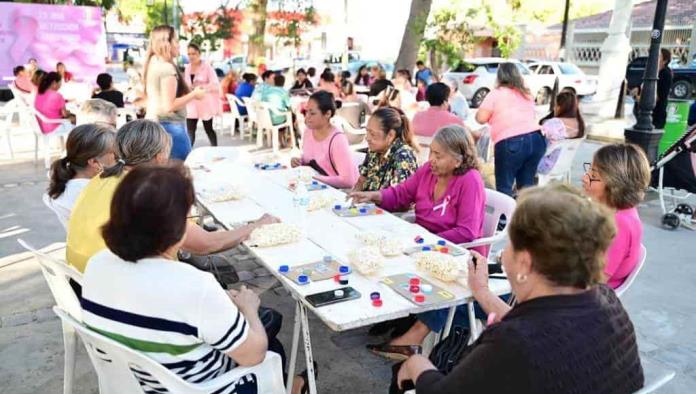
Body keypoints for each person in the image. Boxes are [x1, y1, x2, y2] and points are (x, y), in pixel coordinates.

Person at [81, 165, 315, 394]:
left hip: (133, 383)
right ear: (177, 227)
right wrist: (248, 308)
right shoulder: (194, 284)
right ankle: (291, 388)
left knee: (265, 322)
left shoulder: (97, 264)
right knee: (268, 337)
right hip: (200, 386)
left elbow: (153, 301)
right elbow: (254, 355)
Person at [394, 184, 644, 394]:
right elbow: (541, 328)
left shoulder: (513, 342)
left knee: (405, 373)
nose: (502, 255)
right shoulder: (607, 302)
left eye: (509, 246)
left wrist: (415, 364)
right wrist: (482, 291)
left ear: (525, 261)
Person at [66, 119, 278, 273]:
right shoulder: (149, 191)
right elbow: (205, 244)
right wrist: (255, 226)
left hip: (84, 276)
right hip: (116, 286)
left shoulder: (101, 178)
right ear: (160, 156)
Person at [350, 125, 485, 358]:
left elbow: (467, 232)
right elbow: (401, 193)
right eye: (430, 152)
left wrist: (425, 241)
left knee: (439, 278)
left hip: (458, 253)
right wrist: (375, 196)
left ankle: (414, 336)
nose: (430, 159)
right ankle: (395, 317)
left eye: (438, 155)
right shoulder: (427, 172)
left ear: (457, 159)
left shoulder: (470, 180)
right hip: (422, 245)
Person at [582, 143, 651, 289]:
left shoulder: (619, 225)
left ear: (615, 185)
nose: (584, 178)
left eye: (593, 175)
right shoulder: (618, 211)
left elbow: (595, 280)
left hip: (591, 298)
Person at [476, 62, 546, 197]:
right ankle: (526, 216)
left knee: (504, 188)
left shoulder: (496, 94)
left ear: (499, 77)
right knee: (526, 188)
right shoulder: (526, 93)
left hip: (511, 142)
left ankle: (504, 218)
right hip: (536, 139)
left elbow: (480, 118)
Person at [143, 25, 206, 161]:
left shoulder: (154, 62)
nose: (179, 45)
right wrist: (194, 94)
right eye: (176, 41)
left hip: (157, 126)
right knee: (178, 174)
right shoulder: (166, 68)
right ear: (166, 43)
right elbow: (169, 105)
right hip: (170, 129)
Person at [46, 124, 116, 225]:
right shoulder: (94, 192)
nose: (119, 158)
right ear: (95, 162)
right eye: (115, 154)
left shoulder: (67, 183)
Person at [290, 91, 358, 189]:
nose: (307, 117)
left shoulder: (337, 140)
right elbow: (311, 161)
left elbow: (348, 181)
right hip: (317, 188)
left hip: (338, 193)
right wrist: (298, 162)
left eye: (312, 113)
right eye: (306, 111)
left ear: (327, 114)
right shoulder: (308, 131)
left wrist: (315, 178)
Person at [353, 106, 419, 192]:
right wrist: (351, 199)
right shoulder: (374, 150)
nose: (367, 138)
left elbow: (398, 199)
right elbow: (361, 181)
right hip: (367, 204)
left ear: (390, 135)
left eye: (372, 134)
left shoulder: (404, 157)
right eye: (367, 131)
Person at [537, 91, 585, 174]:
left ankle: (522, 185)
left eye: (555, 105)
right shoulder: (580, 123)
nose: (554, 108)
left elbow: (538, 142)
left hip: (546, 165)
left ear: (560, 106)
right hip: (564, 165)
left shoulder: (554, 123)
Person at [185, 43, 221, 146]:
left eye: (194, 53)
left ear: (199, 54)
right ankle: (187, 154)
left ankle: (215, 149)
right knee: (190, 130)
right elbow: (187, 84)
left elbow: (215, 84)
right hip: (191, 103)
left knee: (208, 129)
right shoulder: (187, 68)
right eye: (189, 54)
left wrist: (202, 88)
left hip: (205, 103)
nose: (191, 56)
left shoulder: (207, 67)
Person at [653, 48, 673, 130]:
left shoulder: (665, 73)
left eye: (659, 56)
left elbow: (660, 96)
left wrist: (638, 98)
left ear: (665, 60)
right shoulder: (653, 71)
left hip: (657, 114)